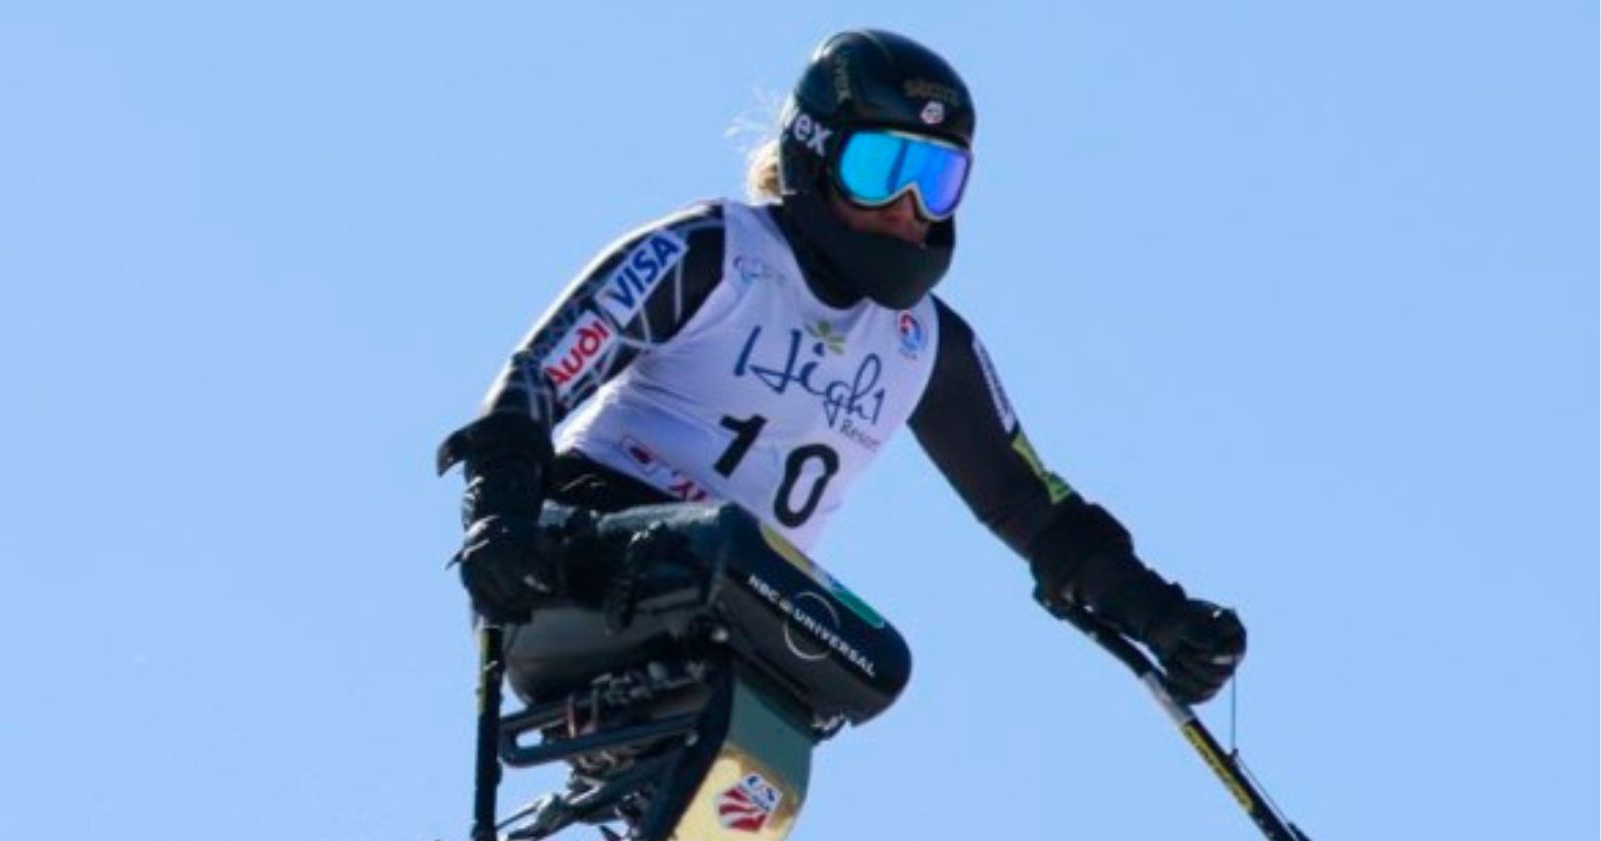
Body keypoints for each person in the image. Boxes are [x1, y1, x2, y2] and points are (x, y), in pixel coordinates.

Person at [438, 27, 1246, 705]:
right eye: (881, 171)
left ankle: (653, 820)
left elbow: (1030, 504)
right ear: (814, 156)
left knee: (878, 665)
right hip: (578, 552)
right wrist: (498, 516)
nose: (909, 208)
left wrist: (1158, 614)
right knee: (732, 549)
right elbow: (540, 376)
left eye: (937, 179)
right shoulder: (717, 254)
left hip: (734, 606)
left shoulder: (927, 345)